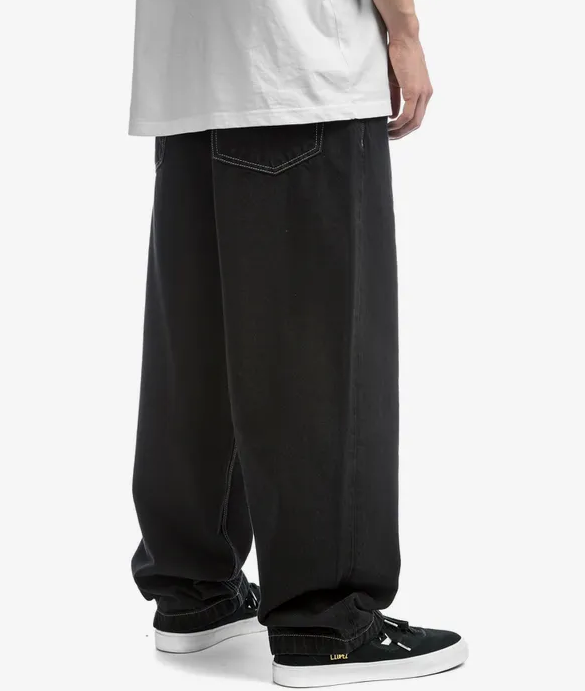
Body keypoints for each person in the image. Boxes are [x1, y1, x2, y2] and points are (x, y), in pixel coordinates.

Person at [129, 0, 468, 686]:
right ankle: (326, 620)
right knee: (320, 355)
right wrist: (404, 30)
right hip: (300, 62)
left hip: (185, 78)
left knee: (197, 353)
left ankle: (194, 588)